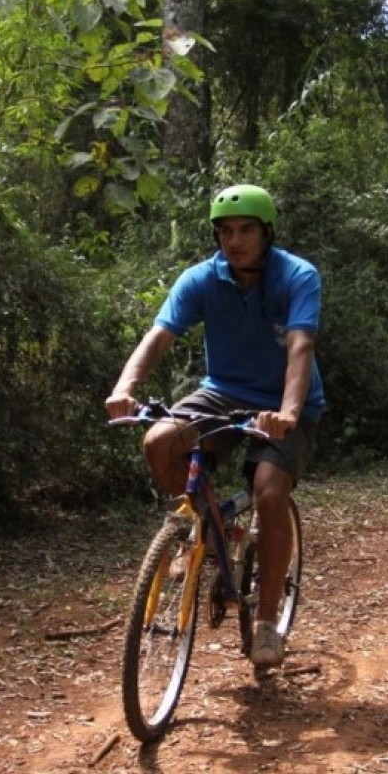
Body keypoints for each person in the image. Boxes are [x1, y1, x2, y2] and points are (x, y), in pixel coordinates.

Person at [105, 184, 324, 671]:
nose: (235, 240)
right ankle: (209, 527)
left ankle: (267, 623)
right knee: (159, 440)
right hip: (222, 392)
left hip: (287, 401)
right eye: (225, 231)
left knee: (269, 490)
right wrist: (125, 387)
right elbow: (158, 336)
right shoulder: (201, 279)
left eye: (246, 229)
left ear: (267, 233)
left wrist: (288, 412)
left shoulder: (297, 276)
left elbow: (300, 347)